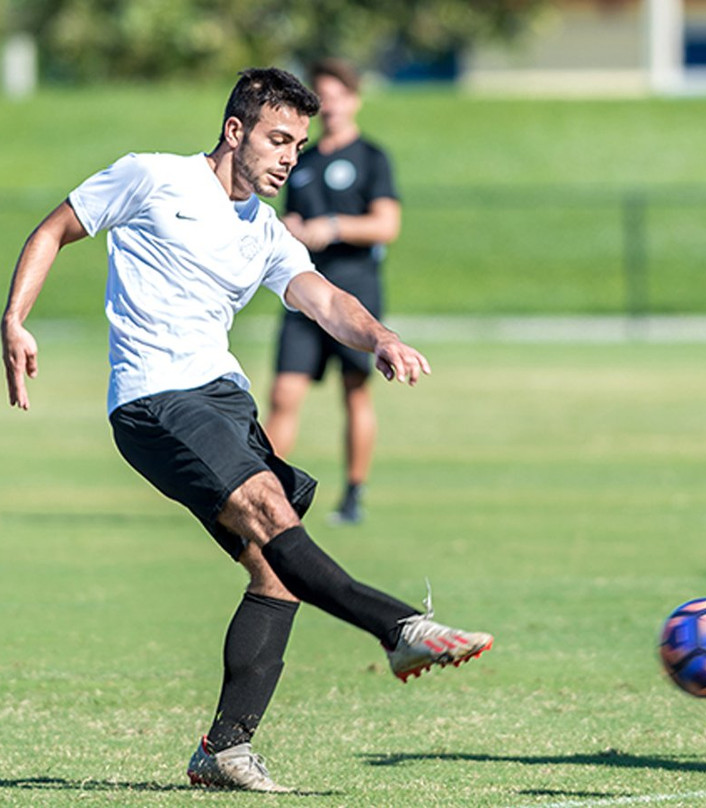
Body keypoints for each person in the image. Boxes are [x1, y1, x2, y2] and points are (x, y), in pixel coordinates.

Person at [2, 67, 492, 793]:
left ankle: (224, 750)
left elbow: (323, 298)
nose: (291, 156)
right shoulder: (152, 178)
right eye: (279, 138)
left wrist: (380, 336)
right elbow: (55, 228)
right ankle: (398, 629)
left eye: (300, 141)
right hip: (154, 400)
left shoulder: (263, 229)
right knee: (271, 512)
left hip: (223, 403)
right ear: (236, 131)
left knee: (276, 572)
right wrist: (14, 319)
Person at [265, 58, 400, 525]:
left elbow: (388, 224)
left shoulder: (372, 158)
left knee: (355, 392)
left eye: (338, 96)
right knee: (283, 393)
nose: (332, 107)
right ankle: (262, 490)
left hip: (355, 290)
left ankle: (353, 495)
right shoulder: (301, 160)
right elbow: (286, 222)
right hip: (304, 293)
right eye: (324, 98)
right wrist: (292, 227)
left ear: (354, 99)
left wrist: (335, 226)